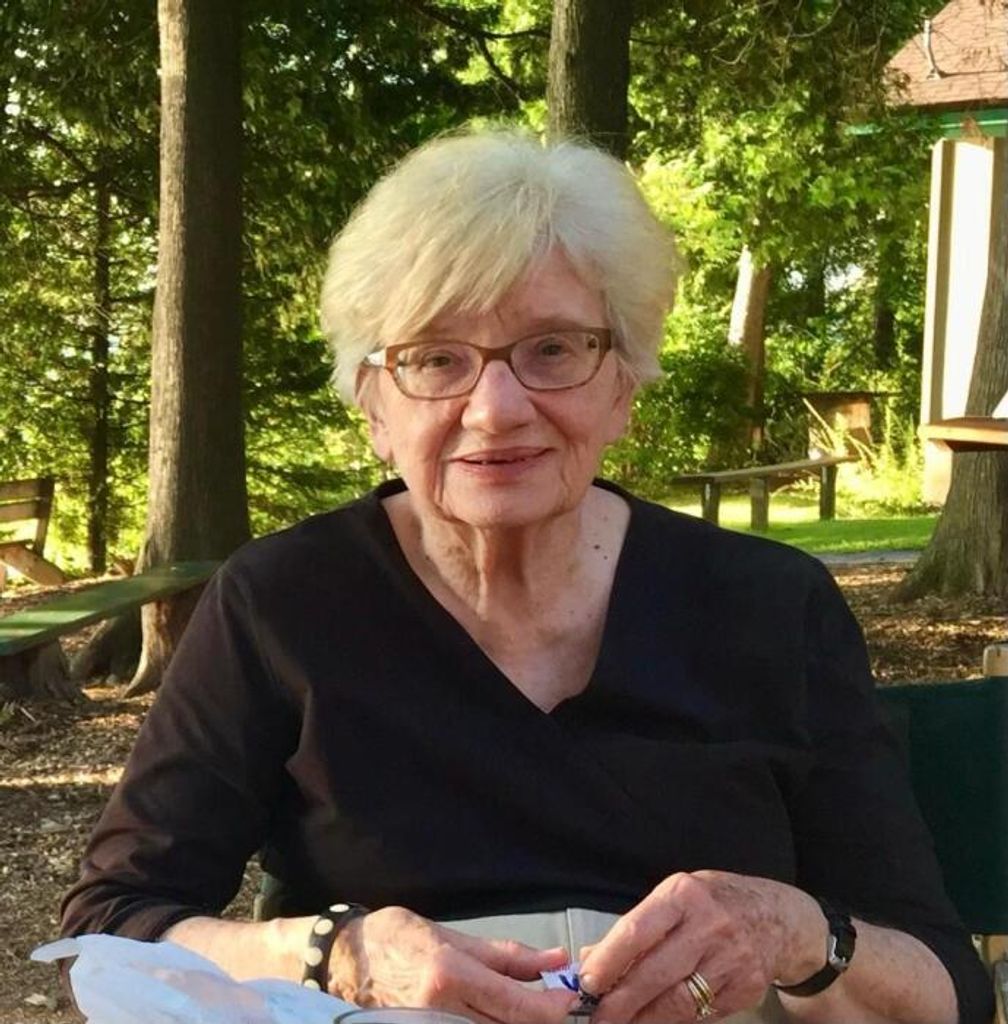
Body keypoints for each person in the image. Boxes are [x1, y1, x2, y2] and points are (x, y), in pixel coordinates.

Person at [61, 129, 991, 1024]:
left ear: (623, 384)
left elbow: (945, 990)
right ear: (374, 407)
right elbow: (111, 924)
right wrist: (334, 955)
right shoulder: (283, 602)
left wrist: (791, 932)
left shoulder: (772, 606)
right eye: (436, 359)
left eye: (553, 349)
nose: (496, 409)